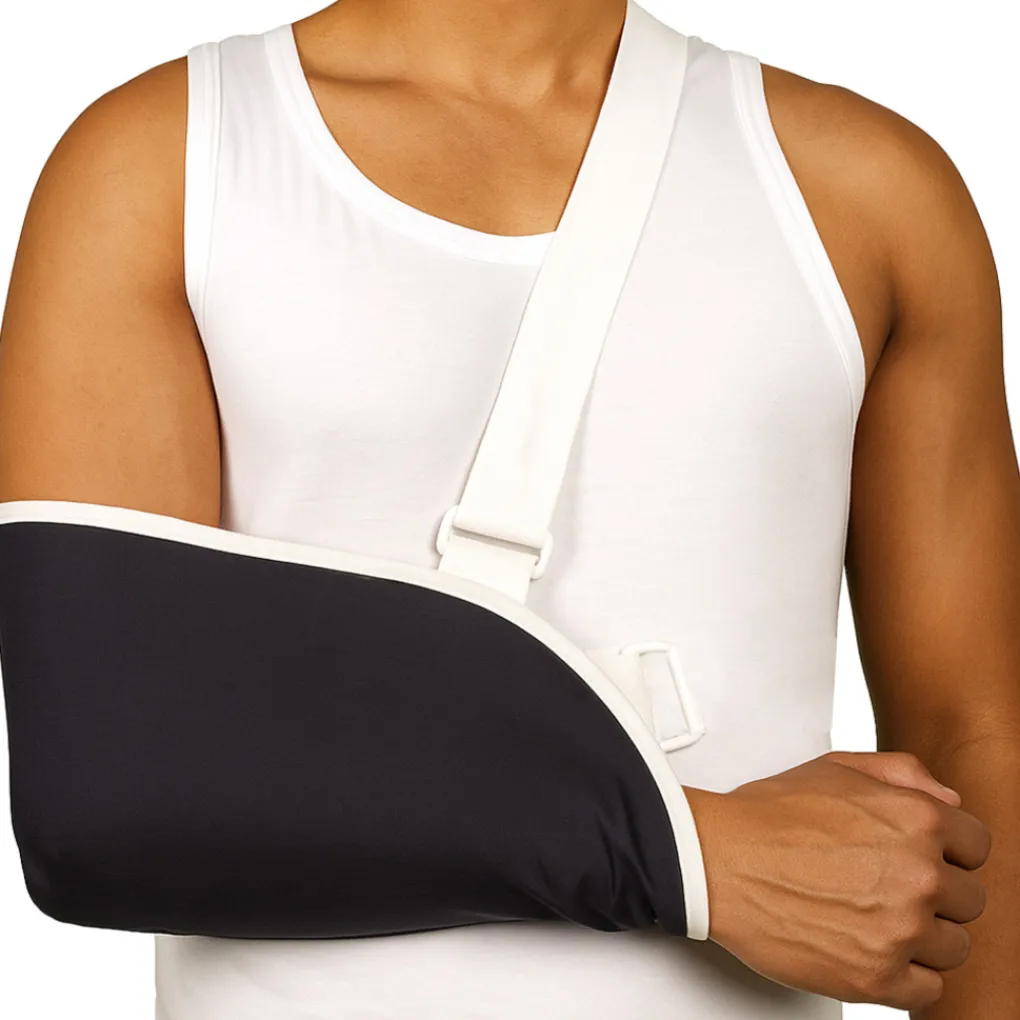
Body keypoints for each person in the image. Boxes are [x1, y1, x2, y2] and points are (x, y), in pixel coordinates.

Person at [0, 0, 1014, 1016]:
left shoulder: (866, 191)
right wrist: (694, 857)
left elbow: (974, 742)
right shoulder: (167, 162)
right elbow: (104, 803)